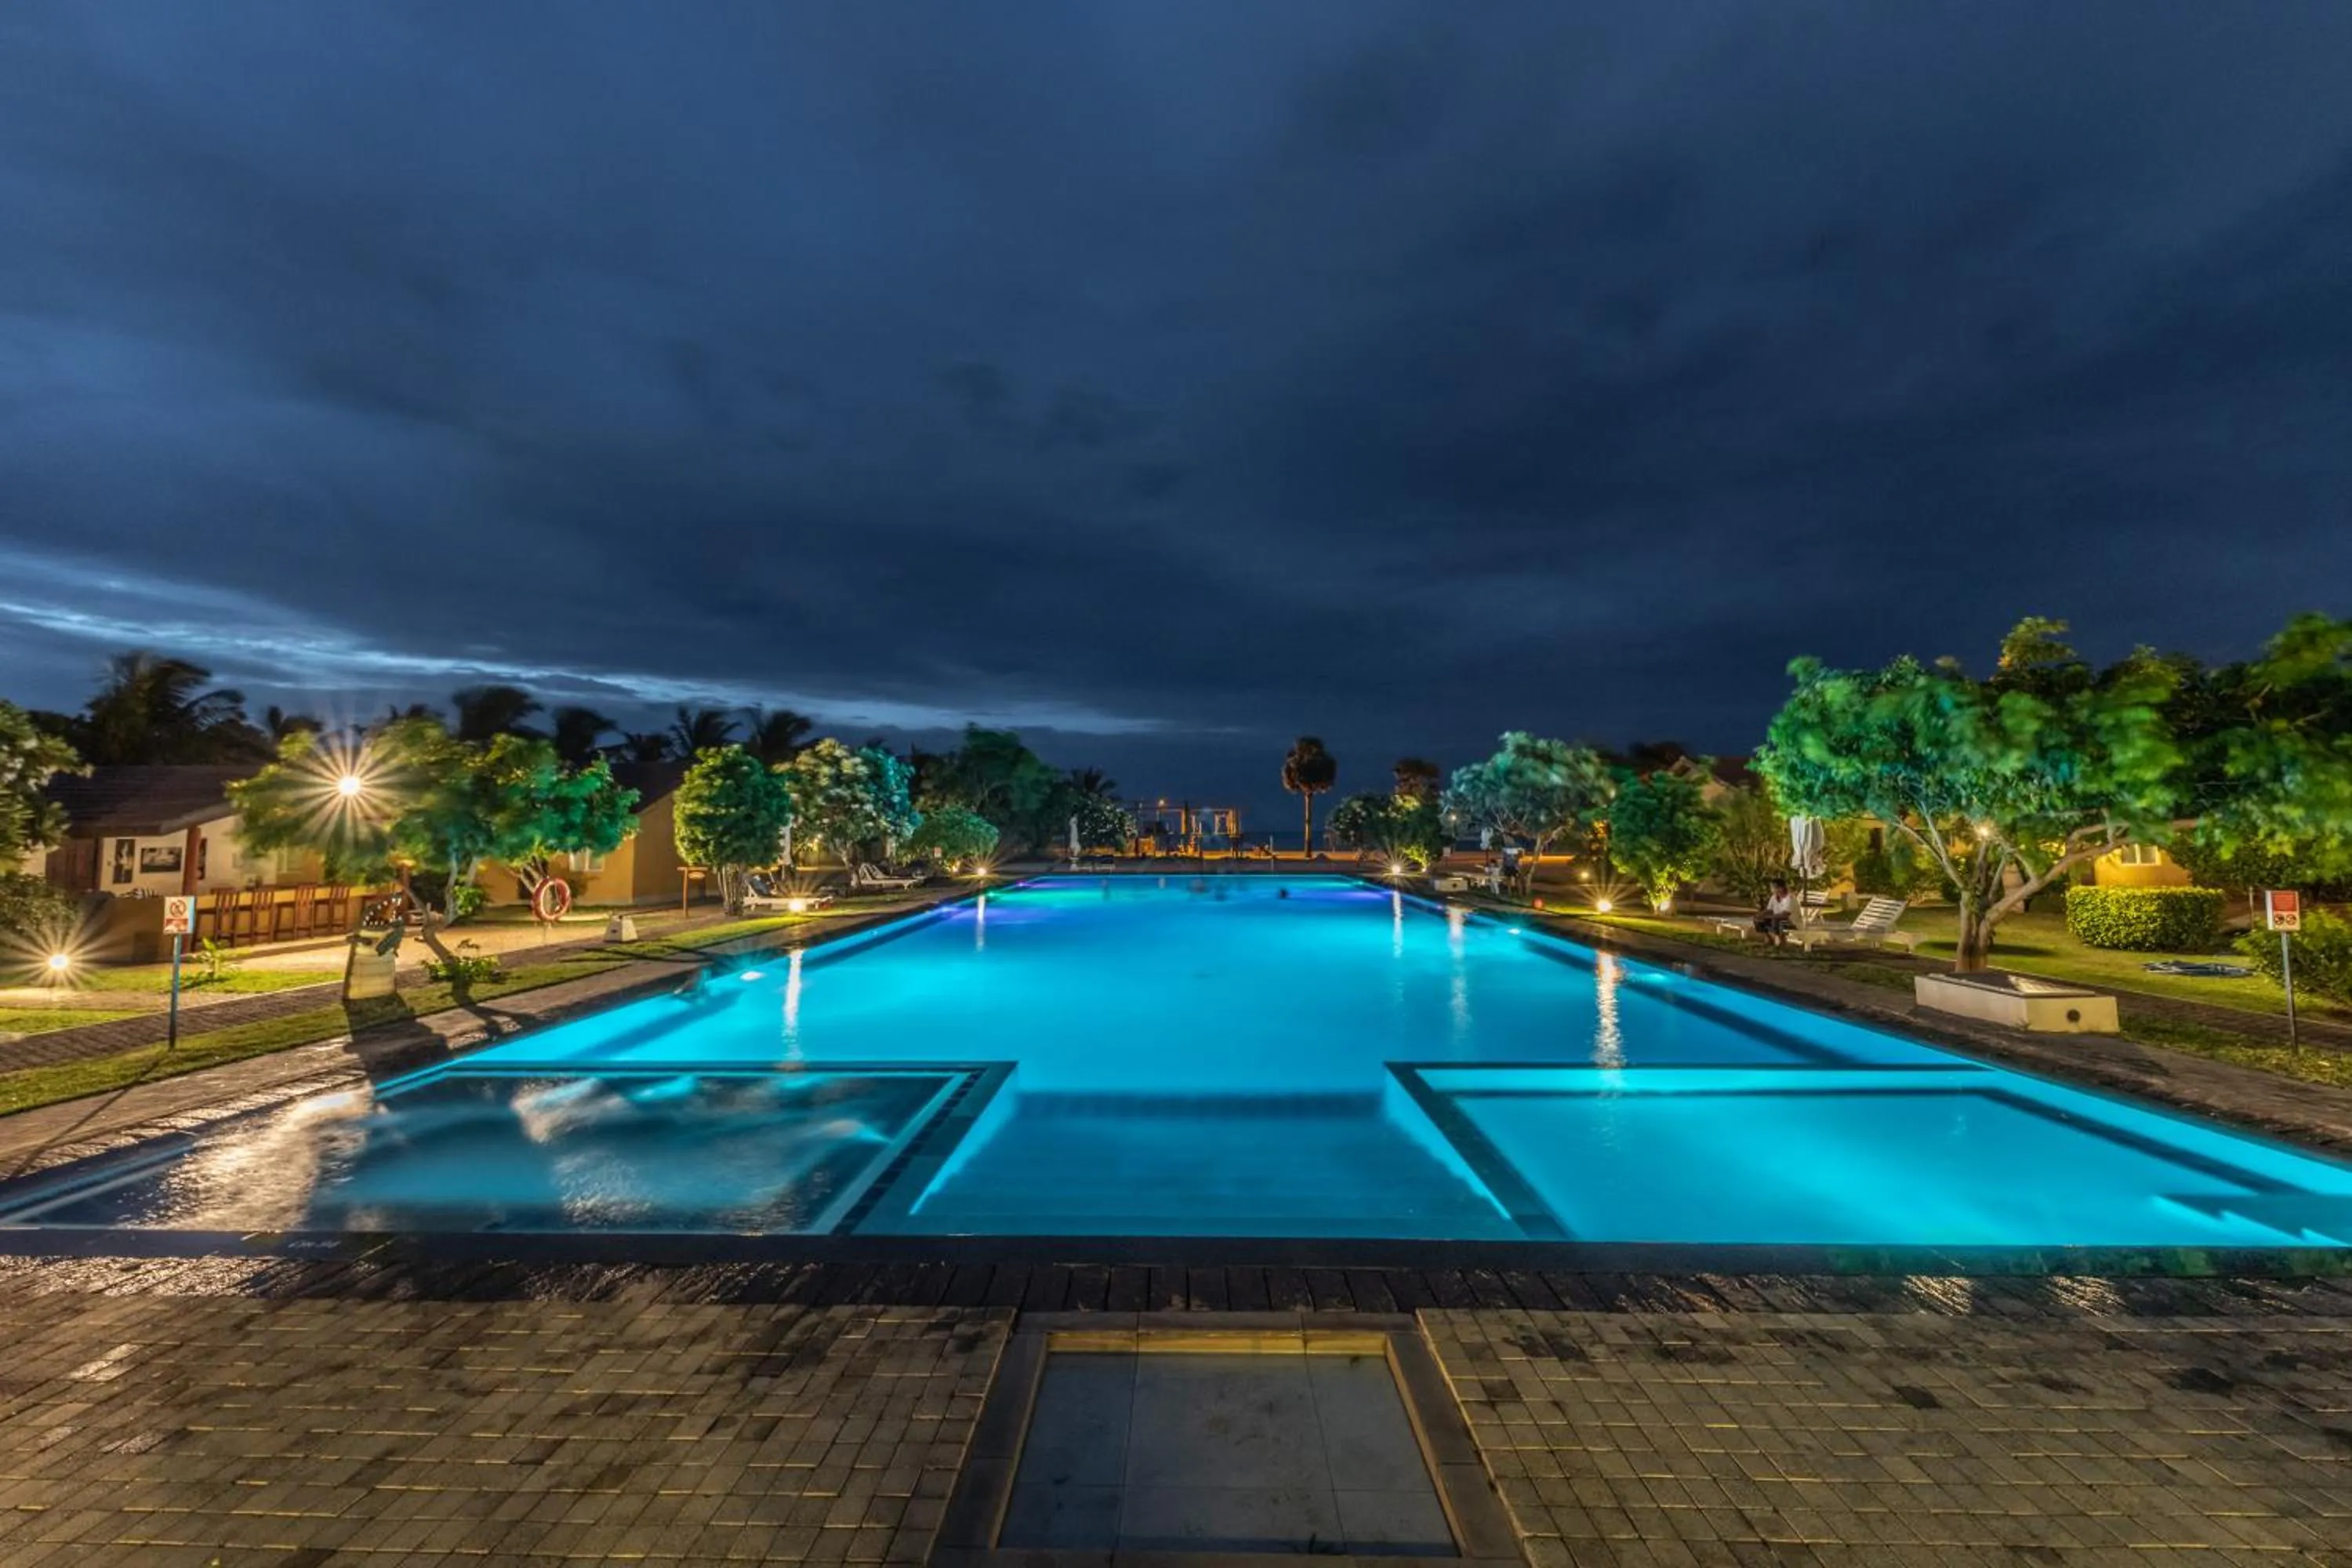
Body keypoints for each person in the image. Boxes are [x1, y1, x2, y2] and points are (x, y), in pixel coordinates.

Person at [1754, 877, 1796, 948]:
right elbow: (1769, 909)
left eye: (1773, 888)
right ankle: (1768, 939)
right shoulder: (1774, 897)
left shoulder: (1789, 898)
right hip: (1779, 918)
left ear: (1780, 888)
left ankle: (1781, 942)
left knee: (1775, 920)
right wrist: (1760, 915)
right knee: (1759, 919)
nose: (1771, 890)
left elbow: (1785, 915)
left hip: (1791, 920)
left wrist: (1768, 916)